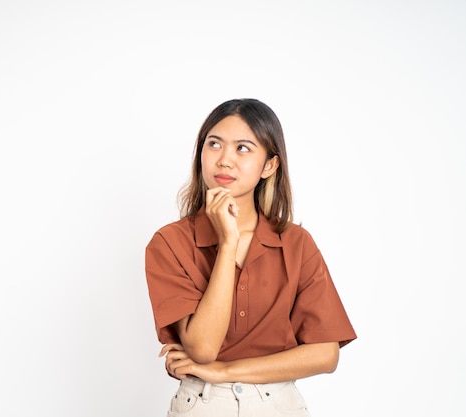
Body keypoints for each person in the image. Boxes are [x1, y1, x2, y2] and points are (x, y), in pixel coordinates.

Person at [144, 98, 356, 416]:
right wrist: (228, 242)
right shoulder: (170, 242)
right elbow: (202, 349)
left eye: (243, 148)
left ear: (269, 165)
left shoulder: (296, 243)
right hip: (203, 403)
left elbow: (326, 355)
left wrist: (225, 372)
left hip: (279, 404)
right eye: (214, 144)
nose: (225, 160)